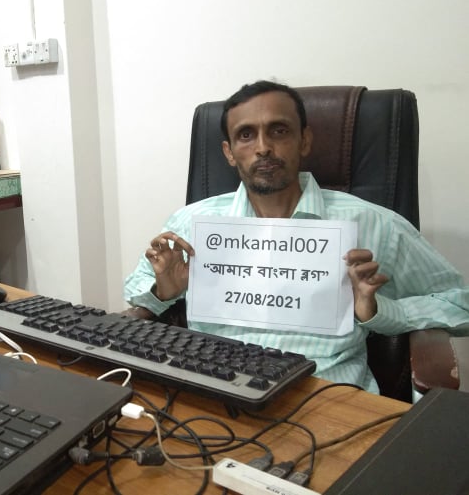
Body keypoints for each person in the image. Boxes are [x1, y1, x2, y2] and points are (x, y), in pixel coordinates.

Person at [124, 80, 469, 393]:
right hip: (214, 391)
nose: (263, 147)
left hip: (325, 395)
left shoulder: (373, 224)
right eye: (246, 135)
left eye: (278, 131)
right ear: (228, 152)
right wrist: (164, 292)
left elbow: (458, 303)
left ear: (304, 140)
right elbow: (138, 296)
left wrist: (375, 311)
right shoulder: (191, 224)